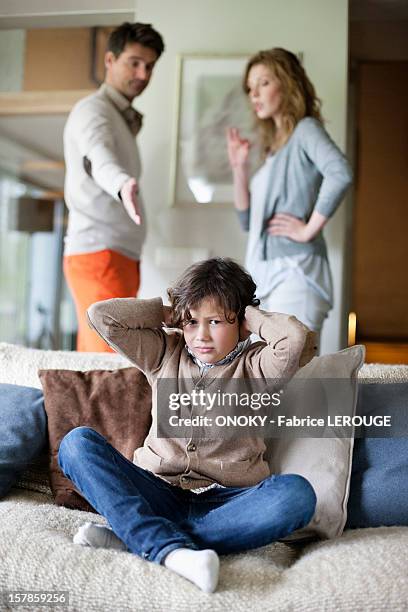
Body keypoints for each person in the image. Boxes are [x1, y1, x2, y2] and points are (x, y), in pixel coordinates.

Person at [57, 257, 317, 593]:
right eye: (192, 323)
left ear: (239, 323)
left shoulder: (257, 367)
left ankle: (143, 538)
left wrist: (248, 314)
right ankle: (169, 548)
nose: (201, 335)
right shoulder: (164, 352)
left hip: (228, 503)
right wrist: (174, 313)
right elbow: (100, 317)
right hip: (156, 490)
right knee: (77, 444)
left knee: (297, 495)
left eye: (216, 321)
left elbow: (294, 340)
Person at [226, 48, 353, 348]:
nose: (254, 94)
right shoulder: (274, 148)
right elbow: (247, 221)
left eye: (264, 83)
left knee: (294, 378)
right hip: (268, 275)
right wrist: (239, 168)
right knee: (275, 381)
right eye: (250, 88)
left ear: (288, 83)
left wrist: (308, 229)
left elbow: (341, 173)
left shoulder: (305, 130)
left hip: (295, 273)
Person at [63, 22, 165, 352]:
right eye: (134, 62)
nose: (143, 74)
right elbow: (98, 157)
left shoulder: (118, 116)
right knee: (104, 366)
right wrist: (121, 184)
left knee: (107, 362)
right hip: (101, 254)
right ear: (110, 60)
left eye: (149, 66)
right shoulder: (93, 110)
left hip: (115, 255)